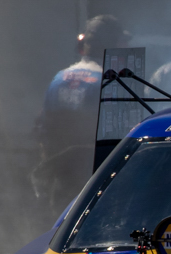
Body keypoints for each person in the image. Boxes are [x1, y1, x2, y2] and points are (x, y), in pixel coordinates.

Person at [31, 14, 129, 215]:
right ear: (112, 45)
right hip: (95, 185)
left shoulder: (58, 78)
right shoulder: (113, 81)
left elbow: (43, 130)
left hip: (60, 182)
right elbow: (124, 138)